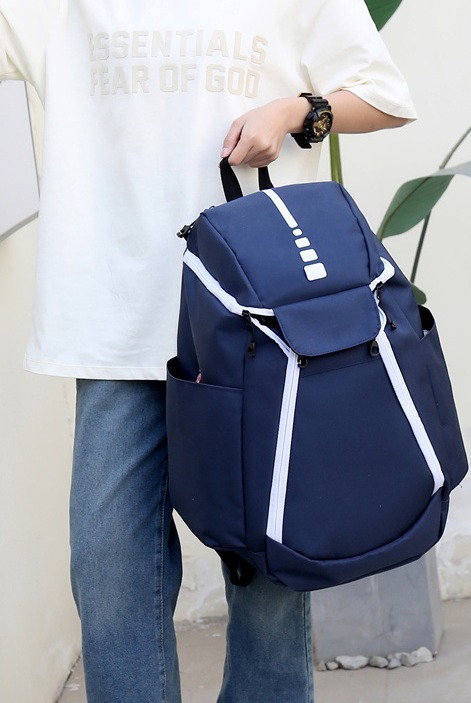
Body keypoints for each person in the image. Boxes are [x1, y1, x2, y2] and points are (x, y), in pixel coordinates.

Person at [0, 1, 417, 701]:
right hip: (117, 331)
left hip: (258, 331)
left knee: (269, 579)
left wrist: (295, 112)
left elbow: (385, 97)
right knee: (109, 576)